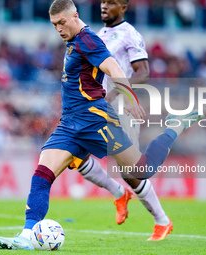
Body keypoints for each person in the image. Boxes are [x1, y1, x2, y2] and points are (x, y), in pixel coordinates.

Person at [0, 0, 202, 250]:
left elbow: (114, 67)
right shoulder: (75, 41)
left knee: (141, 170)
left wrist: (130, 97)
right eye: (54, 25)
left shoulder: (87, 39)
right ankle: (27, 236)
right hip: (70, 124)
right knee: (42, 175)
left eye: (62, 22)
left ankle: (175, 127)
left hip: (96, 120)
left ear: (75, 16)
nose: (58, 29)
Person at [73, 0, 172, 241]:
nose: (104, 6)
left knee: (130, 171)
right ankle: (118, 193)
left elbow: (144, 72)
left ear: (123, 7)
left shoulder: (130, 34)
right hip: (95, 106)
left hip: (120, 108)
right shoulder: (99, 34)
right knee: (73, 155)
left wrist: (118, 91)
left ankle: (162, 220)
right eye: (103, 2)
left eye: (111, 3)